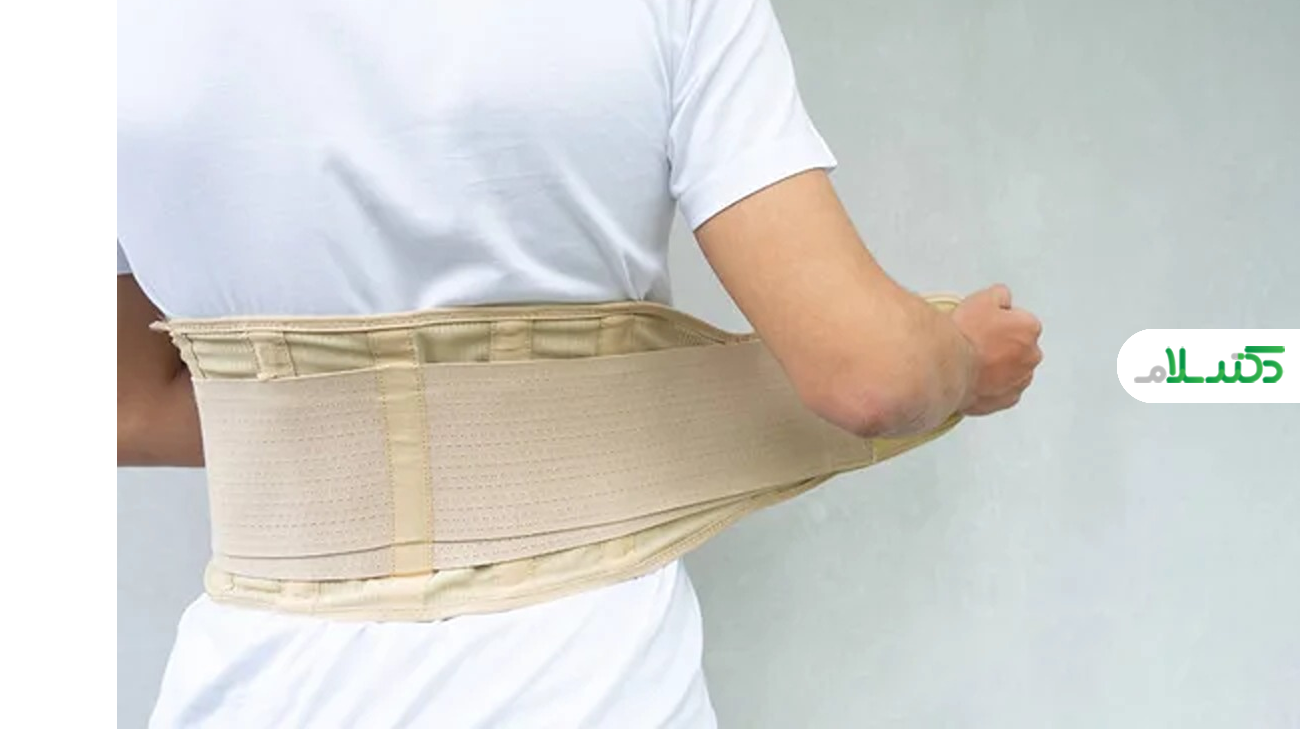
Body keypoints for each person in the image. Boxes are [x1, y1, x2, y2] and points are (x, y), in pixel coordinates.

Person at [117, 0, 1043, 727]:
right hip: (583, 687)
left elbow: (128, 407)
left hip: (250, 687)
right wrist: (963, 360)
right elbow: (871, 375)